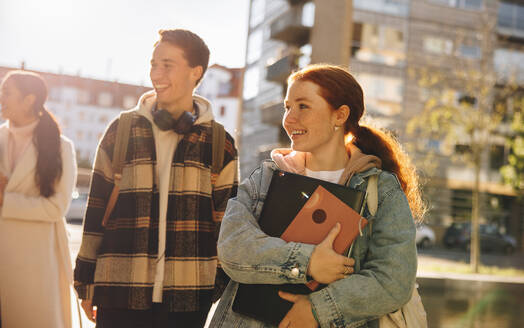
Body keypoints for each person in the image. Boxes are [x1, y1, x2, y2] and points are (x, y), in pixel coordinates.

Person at [210, 64, 425, 328]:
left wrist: (317, 310)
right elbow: (232, 248)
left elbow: (394, 279)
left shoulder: (381, 190)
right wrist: (307, 262)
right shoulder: (265, 179)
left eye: (303, 106)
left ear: (340, 115)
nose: (289, 119)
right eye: (287, 107)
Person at [74, 29, 238, 328]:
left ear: (195, 71)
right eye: (153, 64)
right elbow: (95, 211)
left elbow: (225, 223)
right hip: (118, 289)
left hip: (188, 298)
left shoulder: (219, 142)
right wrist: (85, 280)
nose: (156, 73)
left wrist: (213, 284)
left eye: (167, 64)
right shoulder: (121, 130)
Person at [0, 70, 77, 328]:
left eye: (7, 93)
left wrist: (4, 200)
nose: (1, 98)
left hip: (35, 264)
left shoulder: (61, 147)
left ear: (29, 99)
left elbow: (56, 207)